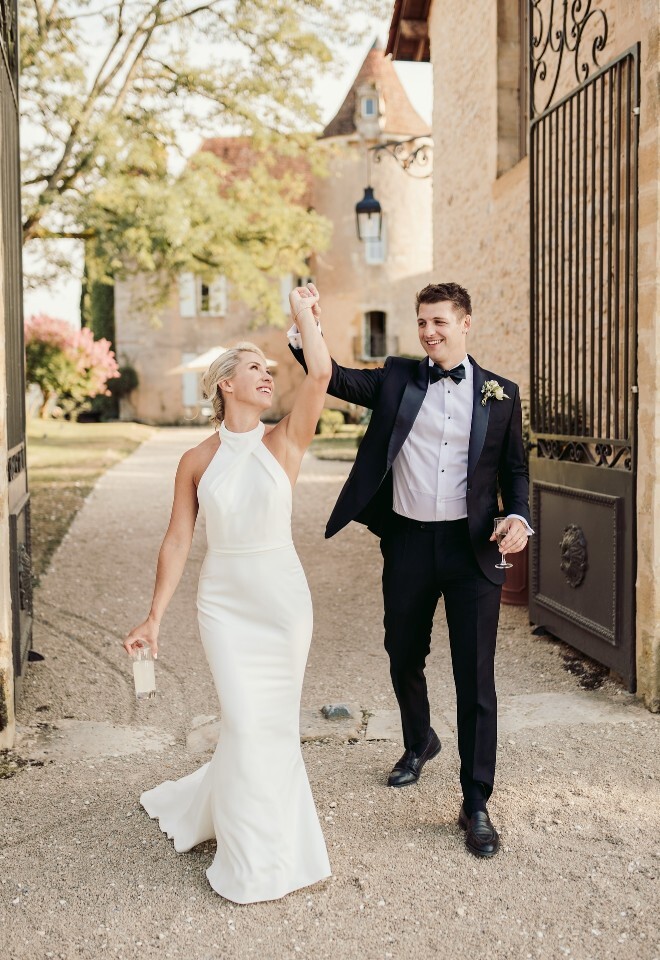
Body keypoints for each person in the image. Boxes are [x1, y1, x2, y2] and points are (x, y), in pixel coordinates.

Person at [288, 282, 531, 859]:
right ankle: (420, 740)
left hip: (472, 549)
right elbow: (338, 378)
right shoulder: (398, 377)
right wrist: (306, 326)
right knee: (402, 652)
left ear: (466, 323)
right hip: (409, 543)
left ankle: (475, 802)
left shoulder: (502, 395)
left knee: (476, 676)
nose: (429, 332)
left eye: (440, 322)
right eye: (423, 322)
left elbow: (515, 471)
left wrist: (519, 515)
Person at [123, 286, 332, 903]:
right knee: (243, 722)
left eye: (270, 370)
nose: (268, 376)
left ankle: (276, 846)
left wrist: (304, 319)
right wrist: (154, 616)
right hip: (224, 603)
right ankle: (248, 857)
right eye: (255, 369)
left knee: (271, 727)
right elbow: (178, 542)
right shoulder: (194, 459)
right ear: (225, 384)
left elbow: (318, 370)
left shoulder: (285, 441)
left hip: (283, 601)